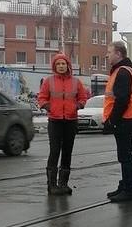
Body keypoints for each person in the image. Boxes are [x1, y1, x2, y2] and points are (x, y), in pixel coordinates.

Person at [38, 53, 88, 195]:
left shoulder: (76, 82)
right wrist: (49, 108)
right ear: (55, 66)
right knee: (54, 151)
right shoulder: (49, 81)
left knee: (67, 152)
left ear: (68, 66)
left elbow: (83, 97)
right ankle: (52, 185)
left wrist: (77, 106)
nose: (61, 66)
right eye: (58, 64)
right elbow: (41, 98)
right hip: (55, 121)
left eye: (63, 64)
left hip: (70, 121)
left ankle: (63, 183)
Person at [103, 41, 132, 202]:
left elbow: (121, 100)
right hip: (129, 118)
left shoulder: (122, 72)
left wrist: (112, 121)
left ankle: (129, 189)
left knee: (125, 155)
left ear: (118, 54)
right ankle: (125, 185)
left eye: (109, 52)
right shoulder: (128, 70)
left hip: (124, 119)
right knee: (125, 154)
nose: (107, 55)